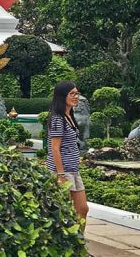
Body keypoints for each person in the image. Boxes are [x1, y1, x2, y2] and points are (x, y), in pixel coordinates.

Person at [47, 81, 88, 229]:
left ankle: (79, 242)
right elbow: (55, 148)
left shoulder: (68, 116)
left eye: (77, 93)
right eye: (72, 94)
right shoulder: (58, 118)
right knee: (63, 211)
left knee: (82, 209)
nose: (76, 96)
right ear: (62, 96)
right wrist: (61, 174)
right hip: (63, 172)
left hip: (73, 170)